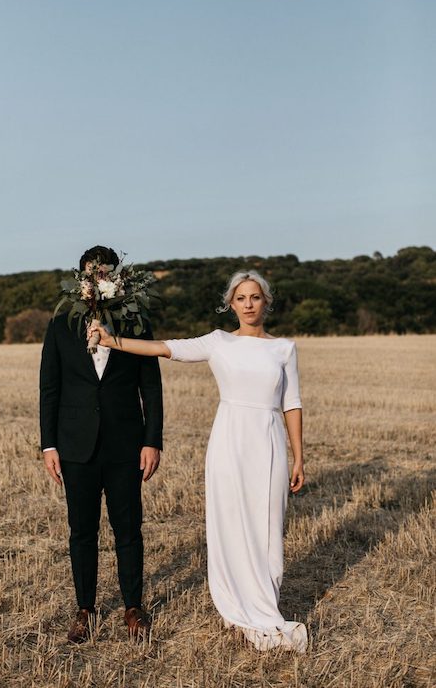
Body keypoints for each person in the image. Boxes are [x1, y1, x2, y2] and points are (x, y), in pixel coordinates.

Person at [88, 270, 307, 653]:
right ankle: (236, 601)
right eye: (242, 298)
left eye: (255, 297)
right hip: (228, 440)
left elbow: (292, 404)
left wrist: (299, 457)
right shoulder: (218, 342)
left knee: (269, 522)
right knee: (230, 522)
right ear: (231, 304)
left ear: (266, 302)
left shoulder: (284, 348)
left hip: (269, 439)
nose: (249, 304)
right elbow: (163, 348)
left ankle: (265, 605)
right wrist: (112, 341)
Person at [40, 245, 163, 643]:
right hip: (75, 446)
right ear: (82, 279)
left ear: (117, 276)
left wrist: (152, 441)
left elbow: (152, 388)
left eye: (105, 272)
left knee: (129, 529)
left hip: (127, 444)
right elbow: (50, 388)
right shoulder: (60, 324)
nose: (99, 278)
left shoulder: (137, 321)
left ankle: (133, 607)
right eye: (92, 273)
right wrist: (49, 446)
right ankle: (85, 609)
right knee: (82, 531)